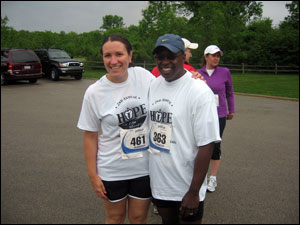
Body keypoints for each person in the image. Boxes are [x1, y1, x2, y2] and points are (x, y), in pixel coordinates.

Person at [77, 34, 154, 224]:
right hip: (112, 169)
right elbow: (90, 136)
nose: (113, 61)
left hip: (144, 168)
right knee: (115, 218)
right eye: (107, 56)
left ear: (130, 55)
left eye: (119, 54)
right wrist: (93, 176)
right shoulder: (94, 92)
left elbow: (170, 87)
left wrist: (191, 78)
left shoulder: (143, 77)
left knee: (138, 218)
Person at [148, 34, 221, 224]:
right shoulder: (154, 85)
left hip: (187, 187)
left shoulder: (198, 91)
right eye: (160, 57)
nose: (164, 62)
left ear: (183, 57)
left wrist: (194, 191)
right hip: (161, 185)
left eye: (170, 56)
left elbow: (207, 145)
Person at [197, 45, 235, 193]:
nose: (216, 58)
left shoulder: (225, 72)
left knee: (215, 145)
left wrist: (231, 109)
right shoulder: (197, 73)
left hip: (219, 115)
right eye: (213, 55)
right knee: (200, 145)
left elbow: (230, 92)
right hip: (202, 114)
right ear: (206, 57)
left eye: (218, 55)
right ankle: (199, 176)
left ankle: (212, 177)